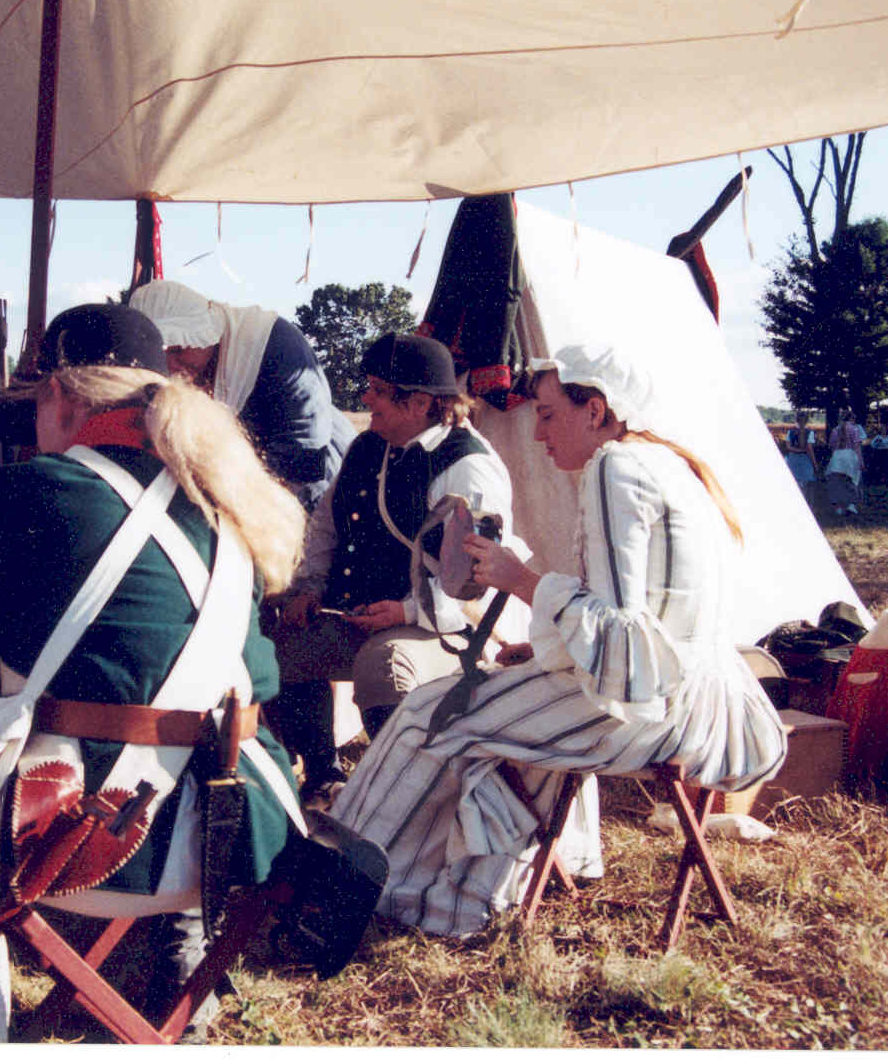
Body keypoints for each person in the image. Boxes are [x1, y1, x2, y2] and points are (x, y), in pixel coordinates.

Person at [0, 303, 304, 1039]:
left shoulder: (10, 494)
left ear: (60, 395)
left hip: (69, 840)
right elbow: (260, 680)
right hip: (225, 844)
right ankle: (176, 984)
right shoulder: (229, 503)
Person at [330, 343, 788, 938]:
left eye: (546, 414)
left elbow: (624, 635)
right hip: (695, 699)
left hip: (649, 709)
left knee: (428, 712)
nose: (539, 434)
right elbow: (642, 624)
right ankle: (486, 887)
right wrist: (550, 646)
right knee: (490, 715)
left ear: (593, 411)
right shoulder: (664, 463)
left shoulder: (615, 467)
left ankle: (355, 878)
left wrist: (519, 579)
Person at [269, 332, 514, 805]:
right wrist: (310, 586)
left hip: (444, 627)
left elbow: (477, 579)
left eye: (379, 390)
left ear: (419, 402)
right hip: (358, 615)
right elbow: (326, 527)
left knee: (382, 663)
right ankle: (323, 780)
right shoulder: (367, 447)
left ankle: (396, 798)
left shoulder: (468, 466)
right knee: (285, 648)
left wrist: (406, 613)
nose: (366, 399)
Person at [125, 279, 354, 508]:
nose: (172, 364)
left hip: (313, 489)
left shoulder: (277, 347)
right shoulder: (191, 365)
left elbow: (303, 456)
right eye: (165, 354)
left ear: (206, 333)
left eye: (179, 349)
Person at [824, 407, 866, 516]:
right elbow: (857, 447)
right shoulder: (854, 429)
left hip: (837, 456)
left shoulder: (835, 430)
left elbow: (831, 446)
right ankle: (851, 505)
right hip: (850, 455)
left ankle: (838, 507)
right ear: (851, 418)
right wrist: (861, 461)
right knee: (852, 481)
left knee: (837, 482)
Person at [782, 408, 819, 488]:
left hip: (792, 459)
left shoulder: (790, 432)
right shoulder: (810, 432)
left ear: (796, 419)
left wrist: (797, 450)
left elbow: (788, 447)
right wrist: (814, 464)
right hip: (804, 460)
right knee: (804, 487)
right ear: (807, 420)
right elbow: (810, 449)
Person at [864, 416, 888, 485]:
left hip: (886, 453)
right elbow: (873, 444)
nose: (883, 431)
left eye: (884, 429)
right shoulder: (878, 437)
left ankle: (885, 480)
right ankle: (876, 480)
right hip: (878, 453)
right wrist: (877, 443)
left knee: (886, 467)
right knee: (877, 466)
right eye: (882, 429)